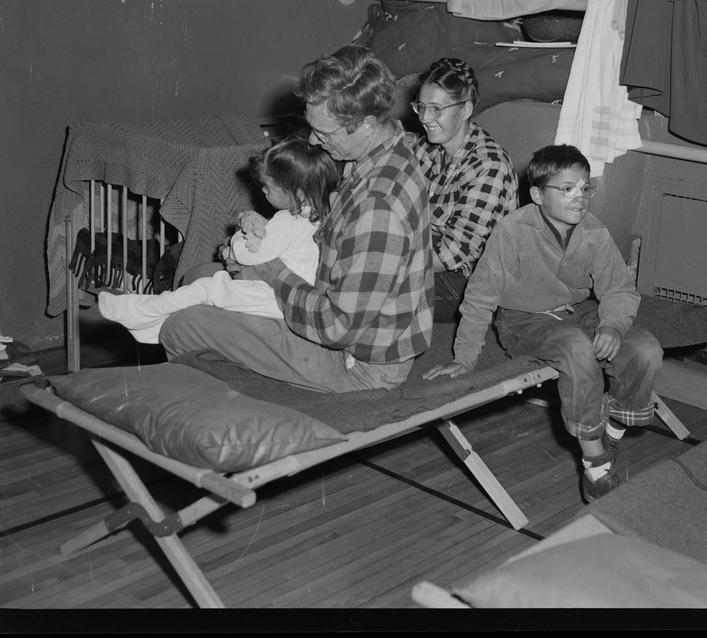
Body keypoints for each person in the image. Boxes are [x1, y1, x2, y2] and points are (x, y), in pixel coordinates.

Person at [158, 44, 434, 393]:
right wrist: (262, 248)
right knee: (197, 275)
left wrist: (272, 272)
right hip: (342, 311)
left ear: (365, 125)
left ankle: (217, 425)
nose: (315, 141)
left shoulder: (377, 205)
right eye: (312, 127)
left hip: (358, 364)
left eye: (326, 132)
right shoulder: (390, 148)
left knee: (180, 324)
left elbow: (338, 327)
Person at [425, 144, 663, 503]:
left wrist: (612, 325)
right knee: (576, 349)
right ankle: (596, 468)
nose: (579, 197)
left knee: (646, 350)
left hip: (576, 310)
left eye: (585, 188)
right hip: (522, 320)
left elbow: (619, 289)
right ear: (537, 194)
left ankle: (610, 433)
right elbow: (481, 296)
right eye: (566, 189)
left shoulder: (594, 232)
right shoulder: (512, 230)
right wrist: (465, 358)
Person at [96, 134, 341, 344]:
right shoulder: (319, 216)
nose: (263, 191)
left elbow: (248, 254)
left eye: (268, 187)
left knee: (207, 287)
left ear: (295, 193)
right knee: (207, 288)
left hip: (274, 298)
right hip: (293, 296)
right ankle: (152, 324)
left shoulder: (288, 220)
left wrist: (237, 239)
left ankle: (139, 311)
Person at [411, 57, 519, 322]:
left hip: (469, 278)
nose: (425, 118)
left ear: (466, 109)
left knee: (378, 291)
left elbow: (454, 253)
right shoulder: (428, 147)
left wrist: (388, 265)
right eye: (421, 107)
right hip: (429, 250)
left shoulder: (490, 166)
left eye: (437, 109)